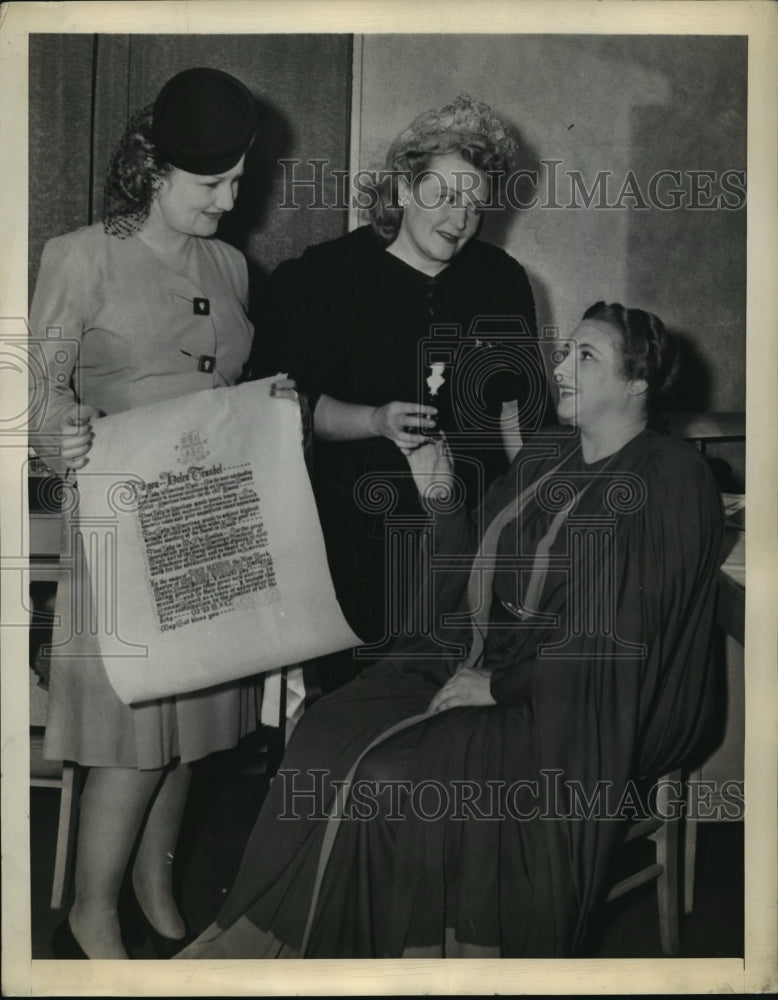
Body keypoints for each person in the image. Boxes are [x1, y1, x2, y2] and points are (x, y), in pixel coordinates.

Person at [177, 302, 724, 959]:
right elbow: (477, 572)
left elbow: (614, 643)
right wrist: (437, 491)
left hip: (578, 704)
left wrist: (499, 687)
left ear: (637, 382)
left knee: (387, 776)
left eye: (586, 357)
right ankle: (304, 946)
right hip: (488, 655)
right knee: (324, 729)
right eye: (565, 352)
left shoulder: (671, 478)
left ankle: (399, 960)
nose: (560, 369)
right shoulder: (549, 452)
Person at [28, 67, 296, 959]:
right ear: (155, 172)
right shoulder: (81, 255)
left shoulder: (228, 265)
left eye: (238, 181)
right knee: (134, 733)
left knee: (195, 728)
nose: (232, 200)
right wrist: (57, 432)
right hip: (119, 522)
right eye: (213, 184)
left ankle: (153, 880)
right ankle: (90, 911)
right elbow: (33, 395)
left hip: (209, 515)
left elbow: (225, 388)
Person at [254, 95, 554, 685]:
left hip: (465, 545)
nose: (460, 218)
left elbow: (527, 420)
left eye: (475, 203)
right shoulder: (324, 277)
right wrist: (374, 419)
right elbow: (281, 412)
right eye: (443, 195)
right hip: (353, 544)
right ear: (404, 188)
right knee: (350, 715)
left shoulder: (501, 283)